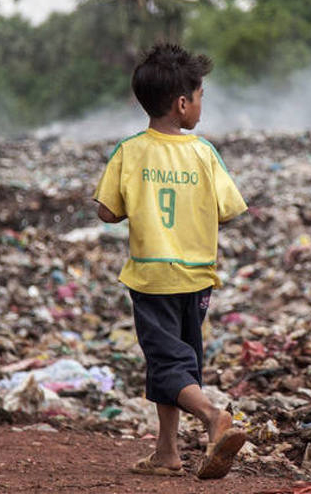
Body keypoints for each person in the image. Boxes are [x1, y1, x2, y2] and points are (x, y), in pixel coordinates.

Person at [92, 43, 248, 479]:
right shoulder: (204, 153)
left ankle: (214, 416)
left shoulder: (130, 151)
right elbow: (229, 211)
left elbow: (106, 212)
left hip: (153, 276)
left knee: (166, 363)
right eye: (200, 97)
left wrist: (138, 202)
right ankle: (166, 452)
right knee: (180, 362)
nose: (200, 106)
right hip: (198, 278)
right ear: (182, 104)